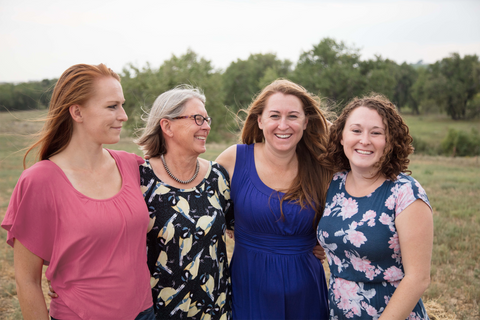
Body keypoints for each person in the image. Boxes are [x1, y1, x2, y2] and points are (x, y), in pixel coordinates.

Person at [1, 64, 155, 319]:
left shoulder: (131, 165)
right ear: (77, 112)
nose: (124, 115)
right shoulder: (40, 181)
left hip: (143, 312)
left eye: (122, 104)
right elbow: (26, 281)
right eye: (112, 106)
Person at [215, 79, 331, 320]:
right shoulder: (234, 159)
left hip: (306, 290)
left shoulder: (322, 165)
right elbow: (202, 204)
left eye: (293, 117)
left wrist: (328, 242)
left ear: (306, 122)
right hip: (249, 286)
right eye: (274, 115)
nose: (283, 125)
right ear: (260, 120)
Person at [316, 94, 433, 319]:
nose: (365, 140)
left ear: (390, 141)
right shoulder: (333, 183)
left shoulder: (406, 193)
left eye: (376, 133)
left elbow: (418, 278)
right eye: (356, 131)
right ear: (341, 137)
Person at [134, 86, 233, 319]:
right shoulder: (140, 179)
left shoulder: (217, 177)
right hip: (159, 311)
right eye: (197, 118)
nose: (206, 126)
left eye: (206, 119)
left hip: (215, 309)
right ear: (167, 126)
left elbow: (241, 230)